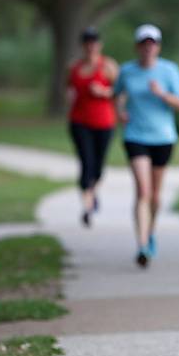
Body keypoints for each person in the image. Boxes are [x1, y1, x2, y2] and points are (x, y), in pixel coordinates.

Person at [115, 24, 179, 267]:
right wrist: (120, 111)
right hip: (135, 136)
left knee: (155, 195)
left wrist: (162, 95)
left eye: (153, 43)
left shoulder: (169, 71)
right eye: (144, 43)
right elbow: (116, 94)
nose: (148, 48)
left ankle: (150, 231)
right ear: (138, 47)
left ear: (158, 46)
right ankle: (142, 244)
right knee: (143, 192)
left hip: (163, 138)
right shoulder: (127, 71)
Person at [67, 27, 118, 227]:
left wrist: (104, 92)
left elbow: (120, 91)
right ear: (83, 45)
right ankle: (87, 207)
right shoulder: (73, 67)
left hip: (104, 122)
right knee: (86, 162)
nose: (91, 45)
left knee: (98, 166)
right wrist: (69, 96)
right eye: (87, 42)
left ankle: (92, 192)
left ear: (99, 44)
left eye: (94, 41)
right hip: (79, 122)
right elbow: (68, 87)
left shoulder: (108, 66)